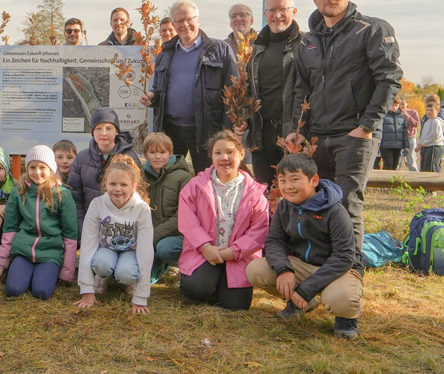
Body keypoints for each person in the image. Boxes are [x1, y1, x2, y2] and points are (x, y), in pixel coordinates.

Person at [286, 0, 402, 250]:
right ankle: (322, 269)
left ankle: (349, 275)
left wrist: (365, 127)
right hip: (318, 138)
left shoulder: (371, 29)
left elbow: (389, 79)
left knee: (347, 205)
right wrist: (299, 131)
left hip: (354, 135)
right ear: (315, 0)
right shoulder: (307, 41)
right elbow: (303, 90)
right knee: (319, 204)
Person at [245, 154, 364, 339]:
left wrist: (306, 289)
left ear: (313, 180)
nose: (288, 186)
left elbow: (345, 257)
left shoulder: (335, 211)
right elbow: (275, 241)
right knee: (256, 270)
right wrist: (284, 269)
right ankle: (302, 303)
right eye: (283, 180)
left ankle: (346, 319)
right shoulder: (285, 207)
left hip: (339, 269)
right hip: (303, 265)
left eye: (295, 179)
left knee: (340, 300)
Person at [140, 0, 238, 174]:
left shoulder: (220, 50)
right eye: (178, 21)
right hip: (171, 131)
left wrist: (226, 133)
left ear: (198, 20)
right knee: (167, 179)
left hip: (208, 131)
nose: (184, 25)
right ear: (174, 24)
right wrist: (152, 97)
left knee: (207, 180)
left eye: (189, 19)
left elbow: (232, 93)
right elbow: (159, 91)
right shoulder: (165, 53)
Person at [177, 130, 269, 310]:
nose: (224, 158)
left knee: (235, 306)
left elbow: (259, 230)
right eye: (218, 153)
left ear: (242, 154)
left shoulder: (255, 192)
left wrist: (233, 252)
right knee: (194, 290)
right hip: (204, 252)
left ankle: (221, 283)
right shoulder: (196, 185)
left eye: (230, 152)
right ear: (211, 156)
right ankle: (207, 280)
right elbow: (188, 222)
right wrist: (205, 247)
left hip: (237, 256)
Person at [236, 0, 303, 188]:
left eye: (283, 9)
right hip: (261, 134)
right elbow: (249, 91)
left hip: (293, 132)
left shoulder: (307, 45)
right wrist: (244, 118)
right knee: (264, 191)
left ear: (294, 11)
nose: (277, 15)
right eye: (272, 10)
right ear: (265, 14)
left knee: (293, 190)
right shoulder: (255, 49)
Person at [0, 145, 78, 300]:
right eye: (32, 167)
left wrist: (67, 272)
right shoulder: (18, 191)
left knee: (41, 292)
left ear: (51, 168)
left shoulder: (63, 195)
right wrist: (1, 264)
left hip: (50, 251)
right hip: (23, 249)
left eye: (42, 167)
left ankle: (45, 273)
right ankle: (20, 271)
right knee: (13, 290)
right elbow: (10, 228)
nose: (37, 172)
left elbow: (70, 235)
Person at [75, 155, 153, 315]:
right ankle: (102, 277)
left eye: (124, 184)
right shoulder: (97, 205)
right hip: (106, 250)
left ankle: (130, 282)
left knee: (126, 273)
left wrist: (141, 296)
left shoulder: (142, 209)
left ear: (133, 186)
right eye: (113, 184)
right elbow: (88, 246)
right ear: (105, 184)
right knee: (101, 263)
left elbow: (146, 251)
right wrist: (87, 290)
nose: (117, 189)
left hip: (130, 252)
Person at [67, 108, 141, 237]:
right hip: (90, 225)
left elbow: (138, 194)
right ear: (92, 132)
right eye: (98, 129)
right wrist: (83, 227)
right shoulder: (81, 158)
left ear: (117, 131)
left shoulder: (130, 158)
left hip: (122, 228)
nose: (103, 133)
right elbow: (75, 198)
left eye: (109, 128)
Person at [141, 132, 192, 283]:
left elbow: (183, 215)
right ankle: (157, 267)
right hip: (150, 235)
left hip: (176, 236)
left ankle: (183, 267)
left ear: (170, 153)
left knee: (165, 248)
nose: (158, 156)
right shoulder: (142, 179)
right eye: (153, 152)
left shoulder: (183, 178)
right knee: (141, 279)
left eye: (162, 152)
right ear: (145, 154)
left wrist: (154, 235)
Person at [378, 97, 408, 171]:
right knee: (388, 165)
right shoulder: (383, 116)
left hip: (397, 146)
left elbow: (404, 132)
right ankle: (385, 182)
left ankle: (393, 182)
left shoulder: (401, 117)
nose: (394, 107)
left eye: (396, 105)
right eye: (392, 105)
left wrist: (406, 146)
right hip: (386, 146)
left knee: (395, 166)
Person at [420, 94, 444, 172]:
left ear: (437, 111)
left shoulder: (437, 121)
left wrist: (424, 143)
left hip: (434, 146)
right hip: (426, 146)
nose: (428, 112)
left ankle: (435, 184)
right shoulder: (427, 121)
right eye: (427, 110)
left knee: (432, 168)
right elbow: (423, 134)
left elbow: (435, 136)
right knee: (425, 167)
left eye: (431, 110)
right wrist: (420, 144)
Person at [399, 97, 420, 171]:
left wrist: (407, 115)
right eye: (400, 104)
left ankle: (414, 176)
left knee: (411, 158)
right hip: (400, 138)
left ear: (407, 104)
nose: (401, 106)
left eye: (403, 104)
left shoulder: (413, 112)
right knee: (398, 159)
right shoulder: (397, 113)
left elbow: (416, 124)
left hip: (410, 137)